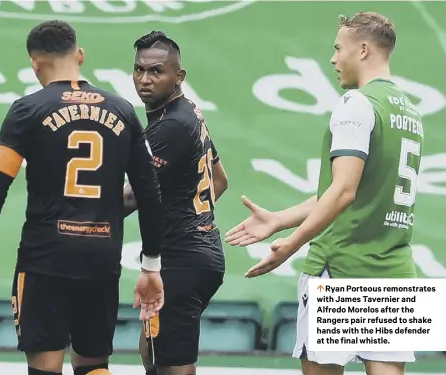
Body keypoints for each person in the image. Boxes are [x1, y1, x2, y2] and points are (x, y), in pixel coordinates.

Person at [0, 20, 165, 375]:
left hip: (45, 258)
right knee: (93, 363)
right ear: (80, 55)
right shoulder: (122, 111)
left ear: (35, 65)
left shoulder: (27, 110)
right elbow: (149, 191)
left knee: (45, 364)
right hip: (101, 257)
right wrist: (151, 266)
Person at [225, 12, 423, 375]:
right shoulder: (410, 112)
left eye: (338, 49)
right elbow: (349, 190)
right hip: (394, 269)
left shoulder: (357, 104)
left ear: (362, 50)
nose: (333, 59)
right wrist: (279, 219)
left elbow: (344, 190)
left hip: (341, 266)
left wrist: (292, 243)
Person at [123, 31, 229, 375]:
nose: (145, 79)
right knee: (151, 352)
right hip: (198, 251)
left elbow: (130, 198)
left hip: (182, 258)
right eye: (139, 70)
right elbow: (220, 180)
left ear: (178, 76)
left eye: (156, 71)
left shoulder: (169, 127)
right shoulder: (190, 113)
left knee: (171, 365)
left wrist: (79, 221)